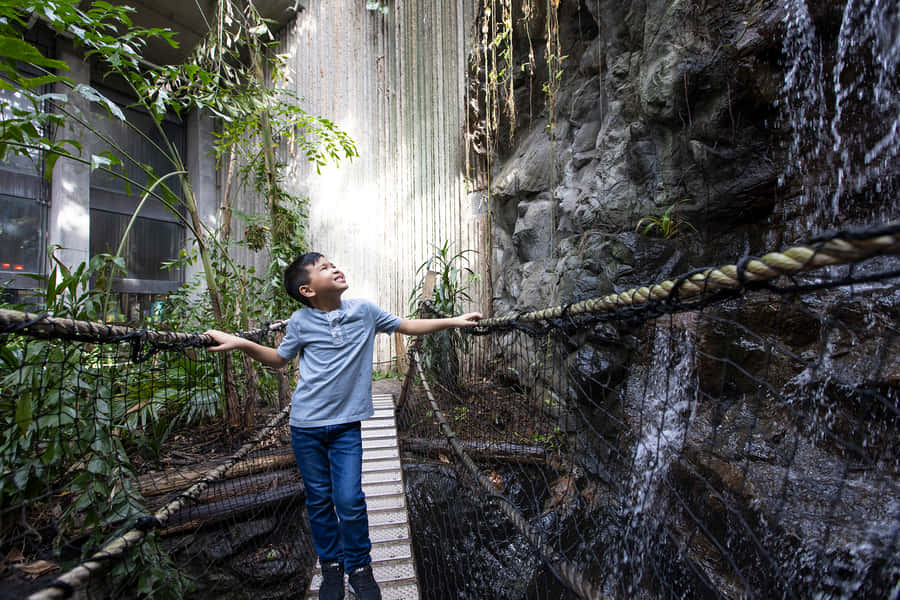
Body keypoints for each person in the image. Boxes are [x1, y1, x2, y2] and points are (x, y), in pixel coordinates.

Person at [204, 252, 481, 600]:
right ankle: (332, 567)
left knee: (349, 499)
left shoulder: (364, 311)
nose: (335, 268)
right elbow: (278, 360)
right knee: (319, 500)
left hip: (346, 427)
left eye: (333, 264)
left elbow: (407, 325)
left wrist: (454, 321)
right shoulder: (300, 322)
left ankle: (360, 568)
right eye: (324, 268)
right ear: (307, 290)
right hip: (306, 427)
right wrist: (241, 343)